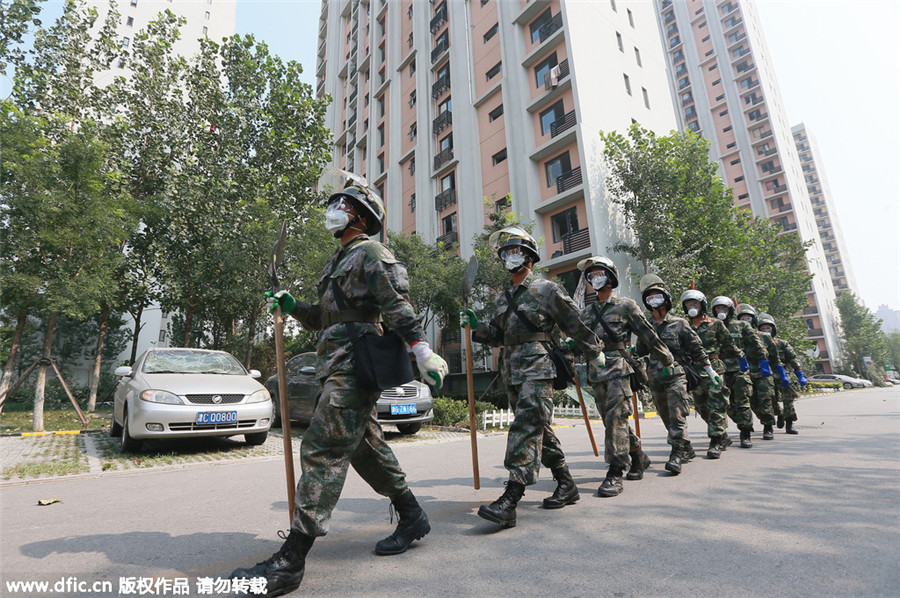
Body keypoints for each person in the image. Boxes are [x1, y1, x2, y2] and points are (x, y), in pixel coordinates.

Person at [231, 178, 449, 596]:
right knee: (366, 449)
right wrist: (294, 307)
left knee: (323, 448)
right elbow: (325, 319)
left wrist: (421, 350)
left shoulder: (371, 252)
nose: (331, 208)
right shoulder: (337, 261)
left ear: (361, 216)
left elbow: (397, 304)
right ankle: (412, 515)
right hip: (332, 365)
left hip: (355, 365)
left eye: (341, 203)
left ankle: (291, 560)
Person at [461, 226, 604, 528]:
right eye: (507, 253)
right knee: (539, 428)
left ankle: (511, 498)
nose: (511, 257)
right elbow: (497, 336)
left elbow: (574, 322)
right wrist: (476, 327)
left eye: (516, 251)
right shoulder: (503, 298)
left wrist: (594, 352)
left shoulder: (546, 289)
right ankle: (567, 484)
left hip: (538, 367)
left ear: (529, 256)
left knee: (525, 427)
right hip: (511, 371)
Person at [576, 257, 674, 496]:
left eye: (600, 273)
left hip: (619, 368)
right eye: (591, 275)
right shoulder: (587, 312)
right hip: (596, 372)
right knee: (611, 420)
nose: (595, 278)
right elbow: (580, 341)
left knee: (616, 418)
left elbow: (647, 334)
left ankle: (615, 471)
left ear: (610, 276)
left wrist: (666, 359)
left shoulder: (626, 305)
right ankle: (639, 455)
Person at [637, 275, 717, 474]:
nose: (654, 300)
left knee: (677, 414)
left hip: (676, 374)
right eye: (650, 297)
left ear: (666, 299)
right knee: (665, 414)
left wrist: (709, 369)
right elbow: (640, 350)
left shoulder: (680, 323)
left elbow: (697, 348)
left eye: (658, 296)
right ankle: (686, 448)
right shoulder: (645, 326)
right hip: (654, 377)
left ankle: (676, 452)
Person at [681, 289, 737, 459]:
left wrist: (732, 362)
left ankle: (715, 441)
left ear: (703, 305)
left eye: (695, 303)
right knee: (701, 406)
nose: (692, 306)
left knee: (716, 404)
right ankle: (723, 436)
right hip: (694, 371)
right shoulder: (683, 325)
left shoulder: (715, 324)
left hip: (714, 368)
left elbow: (729, 344)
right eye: (688, 304)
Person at [710, 296, 764, 449]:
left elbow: (756, 345)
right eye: (718, 309)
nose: (721, 311)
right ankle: (727, 431)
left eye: (724, 308)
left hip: (740, 368)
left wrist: (762, 362)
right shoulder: (711, 326)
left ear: (730, 310)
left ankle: (745, 433)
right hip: (719, 370)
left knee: (742, 402)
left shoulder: (741, 326)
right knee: (723, 404)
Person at [737, 303, 789, 440]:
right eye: (742, 318)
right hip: (745, 374)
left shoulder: (765, 337)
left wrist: (782, 374)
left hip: (763, 373)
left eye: (748, 318)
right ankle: (773, 415)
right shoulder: (736, 338)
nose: (745, 321)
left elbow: (775, 358)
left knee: (766, 400)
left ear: (753, 320)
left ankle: (768, 427)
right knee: (752, 403)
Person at [758, 312, 808, 434]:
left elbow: (793, 358)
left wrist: (799, 373)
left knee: (788, 399)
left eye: (768, 328)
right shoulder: (756, 343)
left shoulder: (782, 343)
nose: (766, 330)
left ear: (773, 329)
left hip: (783, 374)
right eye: (763, 328)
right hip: (766, 375)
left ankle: (789, 424)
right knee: (769, 400)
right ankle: (777, 416)